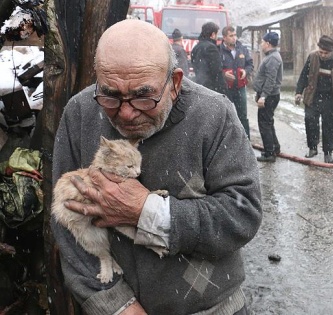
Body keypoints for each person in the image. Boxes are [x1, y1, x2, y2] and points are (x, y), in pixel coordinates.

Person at [51, 19, 262, 315]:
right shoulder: (81, 112)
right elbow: (65, 222)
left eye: (143, 96)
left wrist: (146, 212)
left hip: (211, 308)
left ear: (174, 83)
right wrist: (114, 304)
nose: (125, 113)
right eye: (110, 95)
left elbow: (243, 214)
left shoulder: (214, 114)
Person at [295, 35, 333, 164]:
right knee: (310, 120)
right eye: (321, 52)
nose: (322, 55)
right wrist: (299, 92)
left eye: (326, 53)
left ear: (331, 51)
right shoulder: (312, 58)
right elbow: (303, 76)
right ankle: (312, 148)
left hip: (331, 99)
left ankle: (328, 153)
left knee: (328, 126)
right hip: (313, 97)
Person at [252, 32, 283, 162]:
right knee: (268, 122)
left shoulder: (273, 58)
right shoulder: (272, 56)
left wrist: (263, 96)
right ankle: (274, 147)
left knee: (264, 124)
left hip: (269, 96)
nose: (261, 44)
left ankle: (269, 153)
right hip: (269, 95)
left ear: (268, 43)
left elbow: (271, 79)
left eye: (263, 42)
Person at [219, 25, 253, 139]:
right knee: (225, 115)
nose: (234, 38)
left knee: (243, 115)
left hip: (240, 87)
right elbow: (215, 69)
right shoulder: (219, 50)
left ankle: (246, 140)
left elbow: (250, 64)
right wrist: (224, 74)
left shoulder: (242, 49)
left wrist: (246, 71)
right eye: (231, 36)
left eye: (235, 35)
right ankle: (227, 141)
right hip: (225, 88)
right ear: (224, 37)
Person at [191, 21, 226, 93]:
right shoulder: (211, 48)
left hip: (199, 86)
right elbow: (216, 71)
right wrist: (223, 89)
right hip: (211, 89)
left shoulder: (196, 47)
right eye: (217, 34)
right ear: (213, 34)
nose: (217, 37)